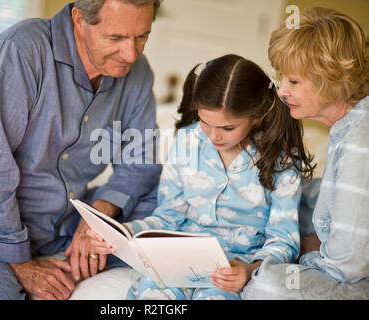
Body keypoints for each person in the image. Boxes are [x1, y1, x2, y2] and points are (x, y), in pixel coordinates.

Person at [0, 0, 163, 300]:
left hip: (63, 214)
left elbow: (141, 161)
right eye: (116, 38)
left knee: (165, 198)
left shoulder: (138, 72)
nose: (131, 53)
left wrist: (99, 216)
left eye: (142, 36)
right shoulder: (19, 51)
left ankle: (79, 250)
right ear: (79, 20)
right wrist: (22, 265)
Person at [88, 54, 316, 300]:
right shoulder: (187, 141)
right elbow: (169, 215)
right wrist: (127, 232)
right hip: (179, 260)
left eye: (228, 128)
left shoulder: (282, 161)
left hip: (236, 267)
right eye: (205, 122)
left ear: (257, 116)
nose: (213, 136)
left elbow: (283, 238)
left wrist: (251, 270)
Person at [242, 7, 369, 299]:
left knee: (265, 284)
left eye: (294, 82)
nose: (282, 91)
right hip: (339, 260)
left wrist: (302, 255)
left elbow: (349, 265)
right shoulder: (348, 126)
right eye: (282, 78)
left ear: (333, 80)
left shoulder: (361, 138)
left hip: (354, 279)